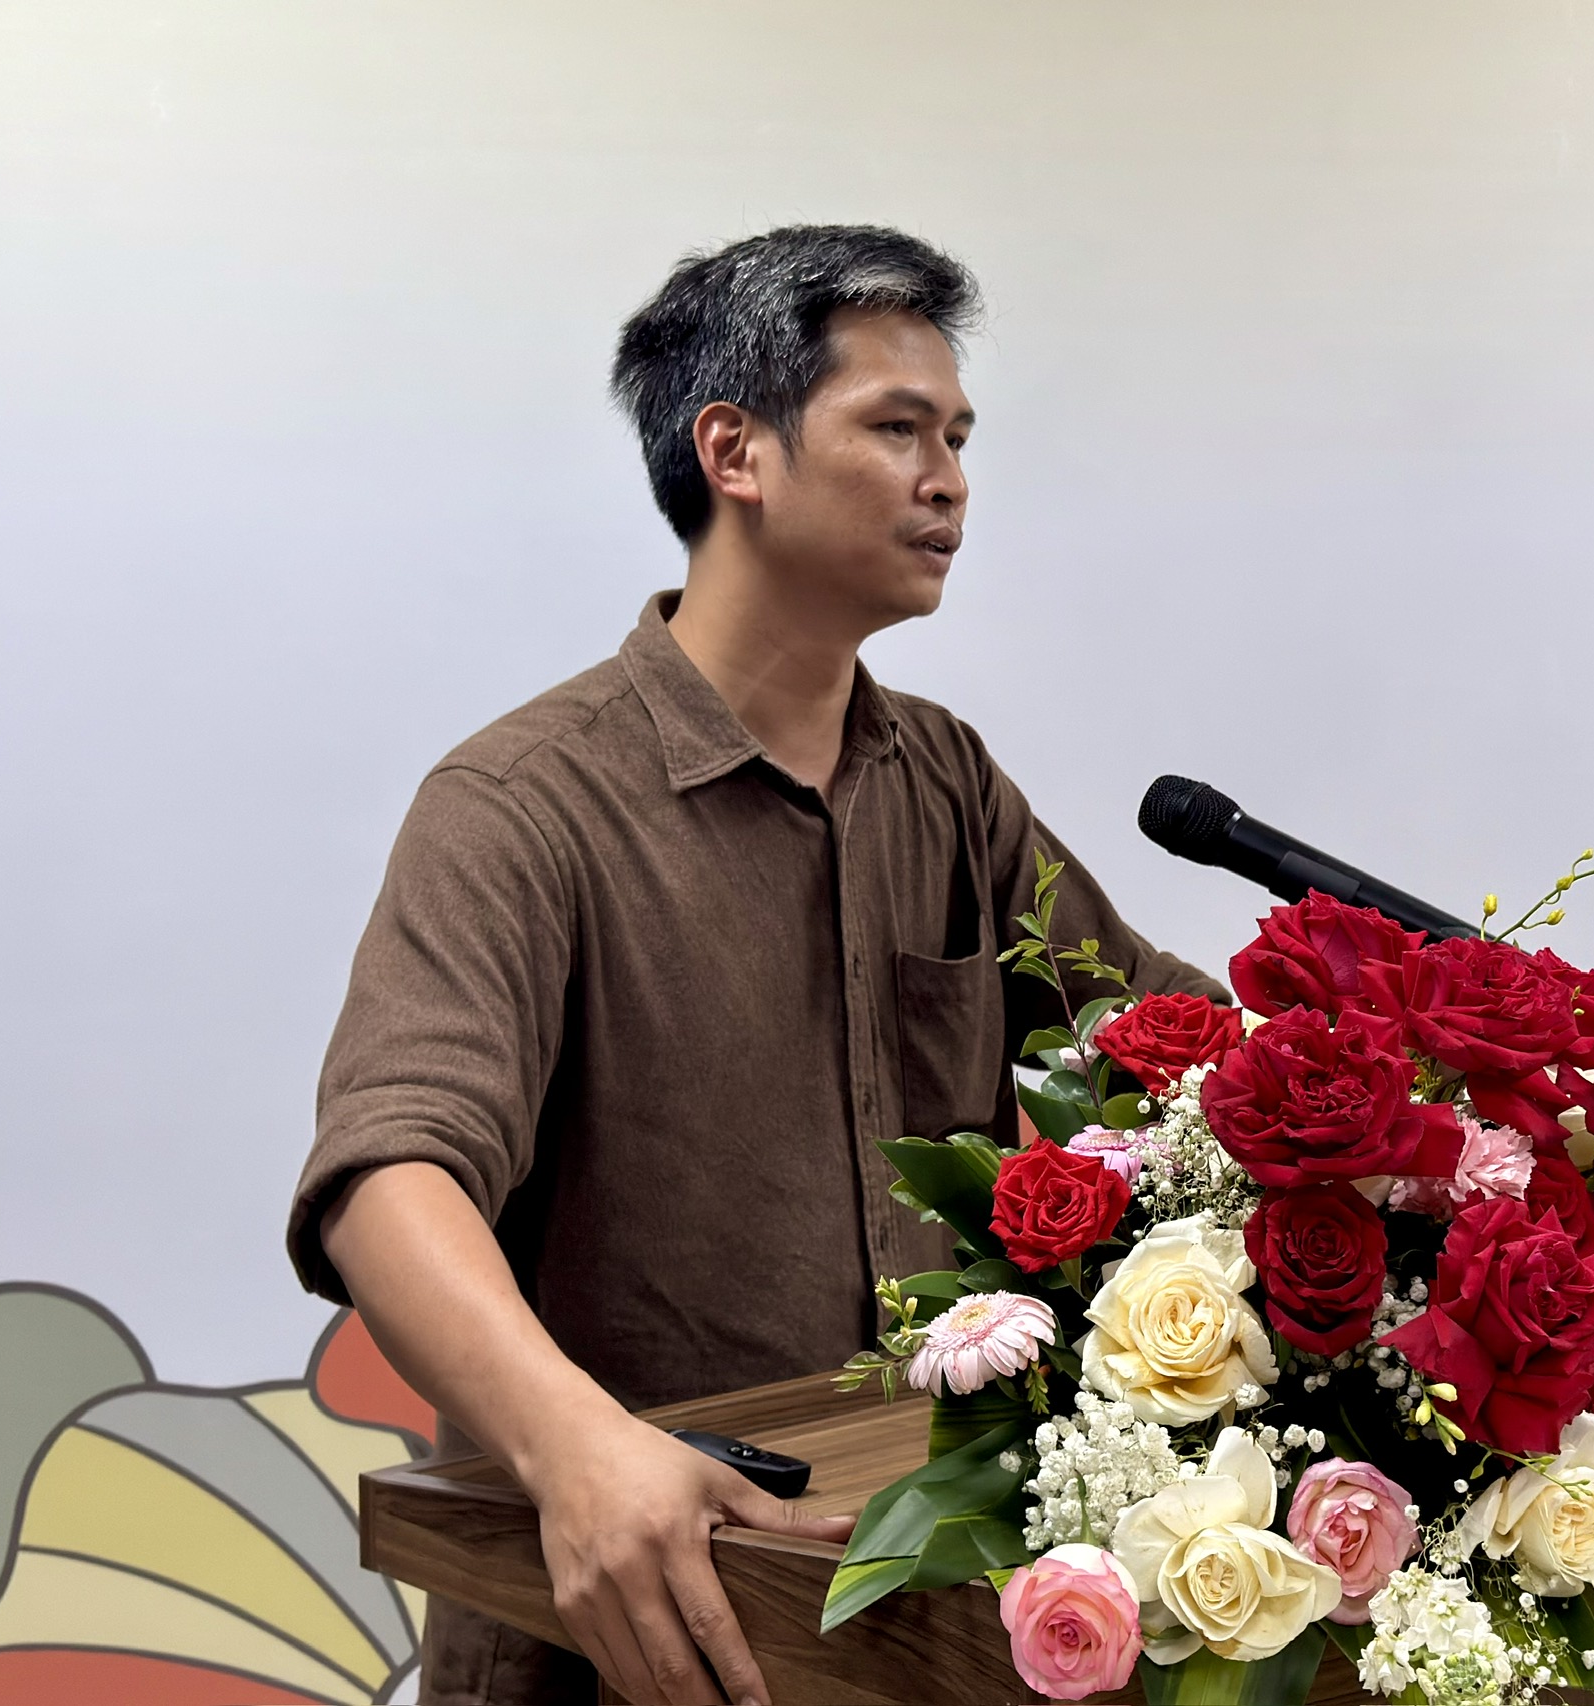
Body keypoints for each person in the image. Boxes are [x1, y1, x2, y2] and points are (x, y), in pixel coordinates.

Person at [287, 225, 1223, 1706]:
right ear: (735, 451)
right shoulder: (521, 804)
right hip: (628, 1624)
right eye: (898, 428)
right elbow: (387, 1176)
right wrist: (579, 1448)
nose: (949, 479)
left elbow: (1169, 1042)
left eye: (960, 437)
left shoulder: (945, 782)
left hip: (913, 1609)